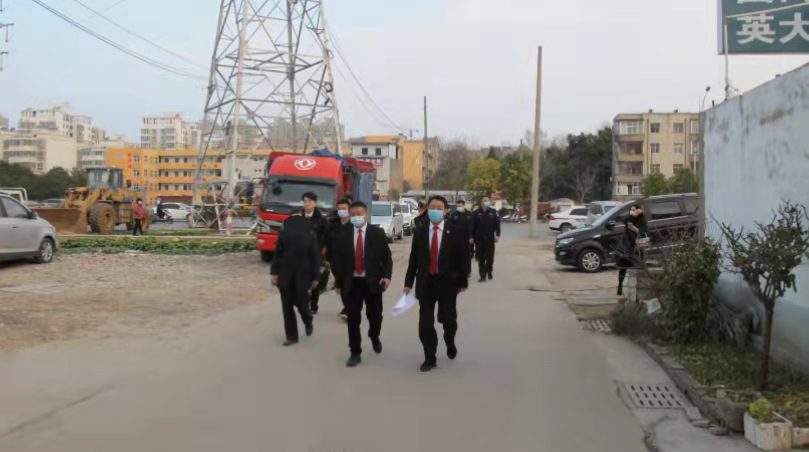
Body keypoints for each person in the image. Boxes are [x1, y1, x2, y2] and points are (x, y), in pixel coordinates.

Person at [404, 196, 469, 372]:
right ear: (427, 210)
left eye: (439, 208)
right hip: (426, 283)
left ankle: (450, 341)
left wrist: (463, 281)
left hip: (447, 283)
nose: (435, 211)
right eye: (432, 207)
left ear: (446, 211)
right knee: (425, 325)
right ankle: (430, 358)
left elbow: (463, 258)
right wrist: (408, 282)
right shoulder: (420, 231)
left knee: (449, 321)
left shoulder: (455, 231)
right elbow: (414, 258)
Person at [333, 201, 393, 367]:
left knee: (375, 317)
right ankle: (355, 352)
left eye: (359, 214)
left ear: (366, 215)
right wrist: (338, 282)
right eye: (352, 214)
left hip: (372, 282)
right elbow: (337, 261)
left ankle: (374, 335)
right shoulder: (343, 234)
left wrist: (387, 276)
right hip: (351, 283)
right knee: (353, 319)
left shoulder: (377, 233)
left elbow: (386, 257)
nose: (356, 217)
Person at [271, 211, 319, 346]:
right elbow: (277, 254)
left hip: (303, 274)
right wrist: (274, 273)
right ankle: (291, 337)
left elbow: (315, 256)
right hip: (285, 274)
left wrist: (315, 277)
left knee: (301, 302)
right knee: (287, 306)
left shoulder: (310, 233)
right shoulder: (283, 233)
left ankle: (308, 319)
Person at [302, 192, 330, 315]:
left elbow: (326, 237)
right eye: (305, 201)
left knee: (314, 280)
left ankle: (313, 305)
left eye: (309, 201)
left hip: (315, 255)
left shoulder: (321, 220)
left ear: (315, 203)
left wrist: (323, 252)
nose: (307, 204)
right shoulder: (298, 216)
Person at [616, 204, 648, 296]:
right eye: (631, 210)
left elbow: (644, 233)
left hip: (637, 246)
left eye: (634, 210)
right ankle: (620, 285)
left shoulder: (642, 220)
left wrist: (635, 229)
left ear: (639, 210)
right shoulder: (629, 218)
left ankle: (640, 288)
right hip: (626, 246)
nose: (632, 211)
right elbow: (624, 220)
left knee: (639, 266)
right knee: (623, 267)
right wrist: (632, 215)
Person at [328, 197, 353, 320]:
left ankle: (349, 310)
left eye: (344, 208)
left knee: (348, 287)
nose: (342, 211)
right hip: (336, 262)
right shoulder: (333, 225)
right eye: (340, 209)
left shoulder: (354, 225)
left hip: (350, 262)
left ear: (349, 210)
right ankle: (347, 307)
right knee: (341, 286)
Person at [471, 196, 501, 283]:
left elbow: (497, 225)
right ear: (481, 202)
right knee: (481, 259)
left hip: (490, 239)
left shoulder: (493, 212)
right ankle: (482, 276)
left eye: (487, 200)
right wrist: (471, 237)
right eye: (484, 200)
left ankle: (489, 270)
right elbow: (472, 226)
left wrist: (498, 235)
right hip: (479, 239)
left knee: (490, 258)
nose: (486, 202)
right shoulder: (476, 213)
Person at [449, 199, 473, 276]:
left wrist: (471, 237)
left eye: (460, 206)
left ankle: (467, 271)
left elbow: (472, 226)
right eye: (458, 206)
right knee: (457, 255)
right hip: (456, 238)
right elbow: (450, 225)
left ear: (463, 205)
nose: (459, 207)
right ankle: (457, 270)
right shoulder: (454, 214)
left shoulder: (469, 214)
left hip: (467, 238)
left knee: (467, 255)